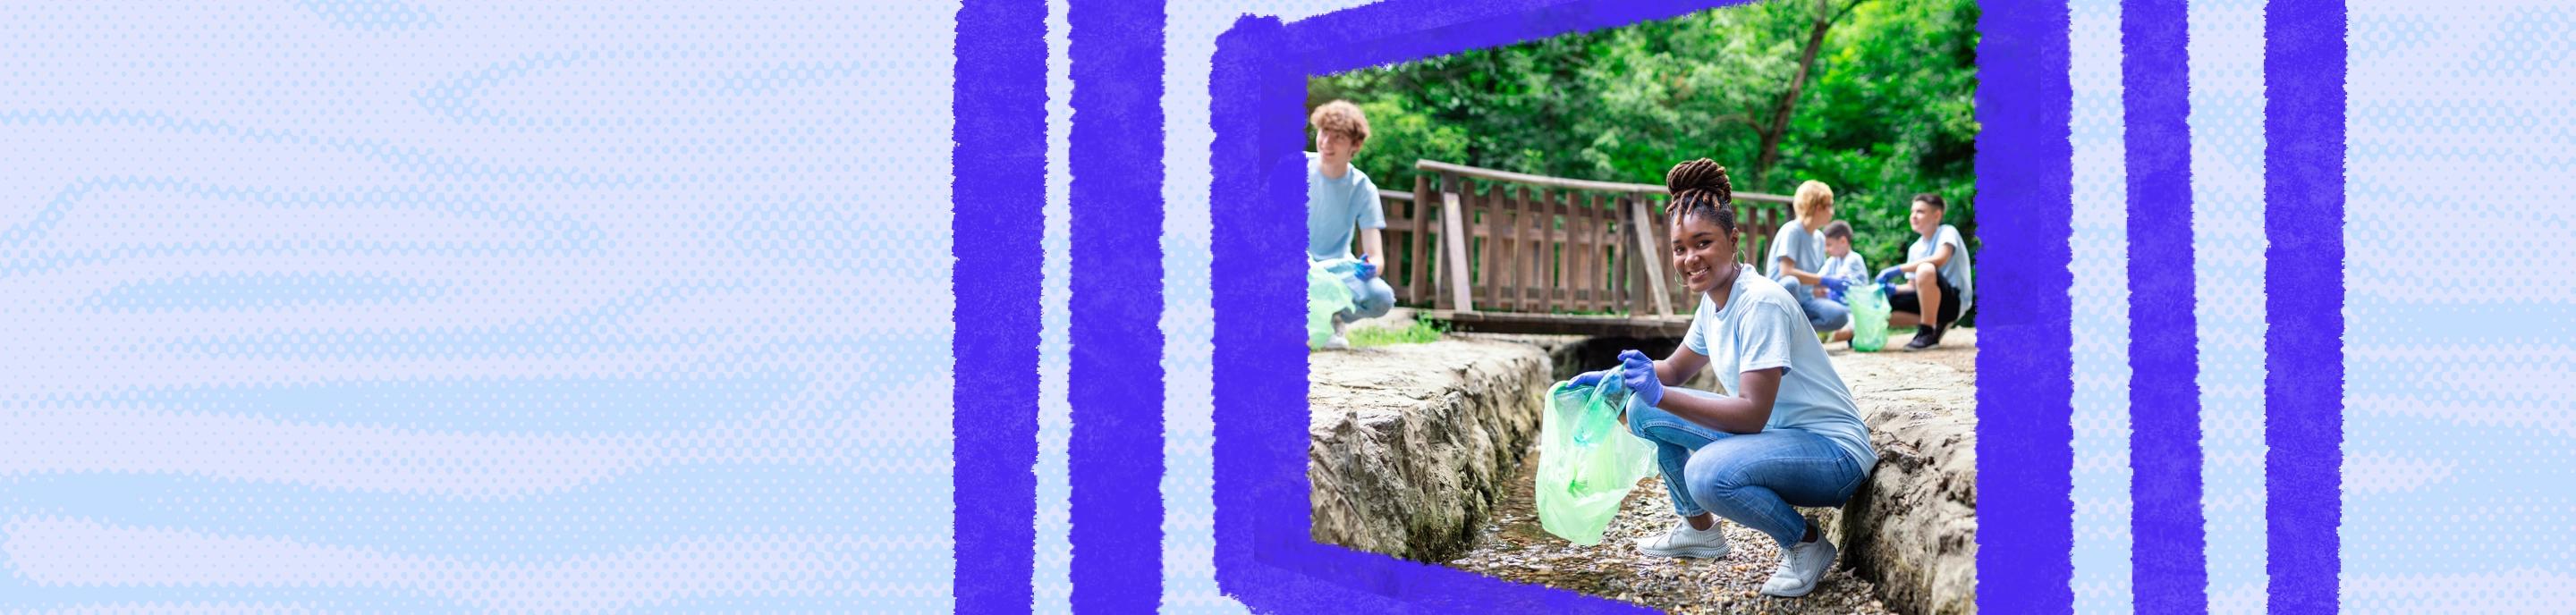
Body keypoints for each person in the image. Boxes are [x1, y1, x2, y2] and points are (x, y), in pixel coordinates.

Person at [1571, 159, 1876, 599]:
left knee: (1707, 473)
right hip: (1778, 440)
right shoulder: (1714, 302)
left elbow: (1750, 415)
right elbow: (1673, 370)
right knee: (1641, 410)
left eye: (1703, 243)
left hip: (1832, 454)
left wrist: (1662, 394)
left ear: (1733, 241)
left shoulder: (1760, 304)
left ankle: (1805, 544)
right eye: (1679, 248)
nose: (1690, 258)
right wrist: (1615, 378)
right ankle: (1700, 532)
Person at [1305, 100, 1394, 348]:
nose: (1326, 143)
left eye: (1338, 138)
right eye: (1324, 133)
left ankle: (1332, 319)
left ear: (1355, 145)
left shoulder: (1363, 188)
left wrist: (1370, 267)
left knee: (1381, 296)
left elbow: (1377, 257)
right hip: (1294, 265)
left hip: (1336, 271)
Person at [1876, 193, 1974, 350]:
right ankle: (1936, 323)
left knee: (1926, 268)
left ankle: (1927, 332)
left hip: (1953, 301)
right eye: (1912, 212)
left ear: (1936, 215)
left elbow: (1939, 259)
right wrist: (1890, 289)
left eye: (1920, 212)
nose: (1913, 216)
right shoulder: (1915, 248)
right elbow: (1912, 286)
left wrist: (1898, 269)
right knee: (1882, 306)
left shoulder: (1947, 232)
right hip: (1929, 301)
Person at [1762, 181, 1850, 334]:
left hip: (1805, 302)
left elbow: (1815, 279)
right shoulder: (1792, 231)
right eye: (1830, 206)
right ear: (1818, 208)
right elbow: (1786, 272)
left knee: (1840, 315)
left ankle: (1795, 333)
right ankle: (1779, 328)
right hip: (1778, 300)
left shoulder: (1820, 238)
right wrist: (1825, 281)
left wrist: (1826, 287)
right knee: (1791, 283)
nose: (1832, 211)